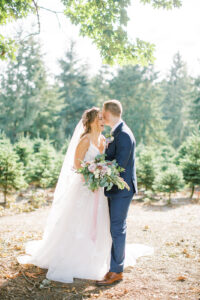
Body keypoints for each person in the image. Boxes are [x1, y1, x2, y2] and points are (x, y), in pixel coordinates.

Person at [17, 105, 153, 284]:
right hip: (85, 188)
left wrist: (100, 173)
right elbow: (76, 165)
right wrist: (91, 173)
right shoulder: (85, 139)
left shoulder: (104, 139)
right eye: (99, 118)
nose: (102, 120)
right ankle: (75, 257)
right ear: (91, 121)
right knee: (80, 222)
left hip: (100, 190)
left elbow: (110, 162)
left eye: (102, 117)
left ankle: (98, 259)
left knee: (100, 223)